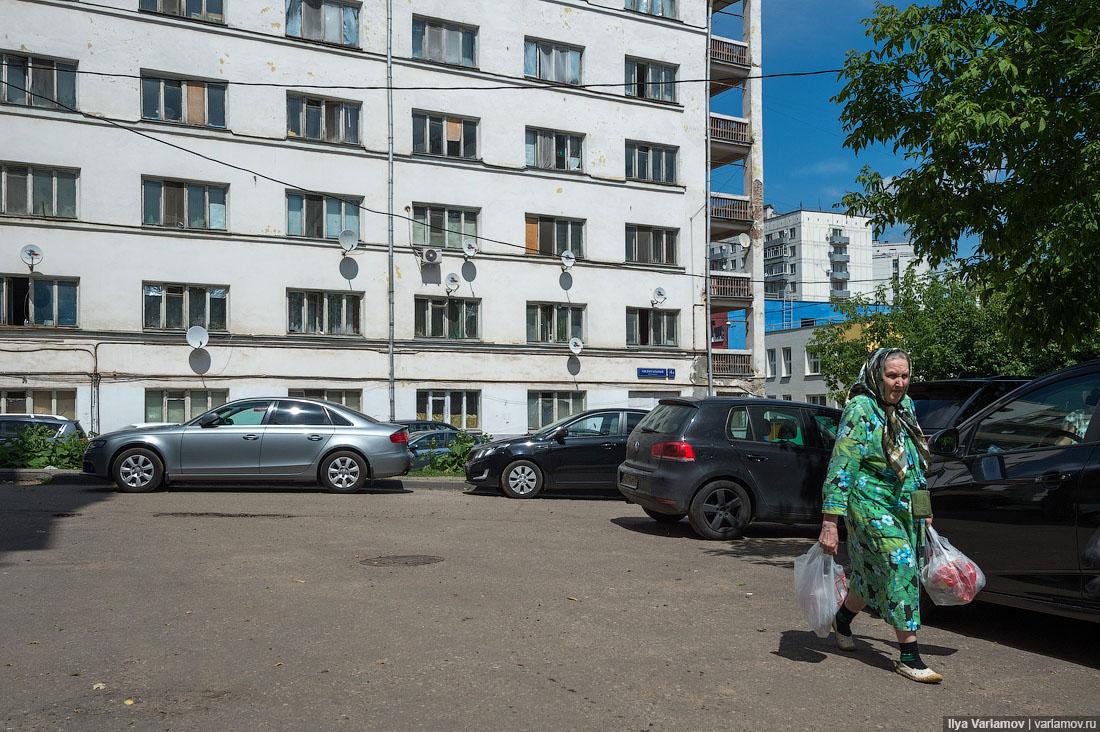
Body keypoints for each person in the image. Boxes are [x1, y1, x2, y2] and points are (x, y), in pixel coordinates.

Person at [818, 348, 940, 683]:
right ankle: (910, 656)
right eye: (891, 375)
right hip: (866, 502)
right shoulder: (860, 408)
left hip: (899, 503)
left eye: (904, 376)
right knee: (901, 562)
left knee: (868, 575)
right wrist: (831, 522)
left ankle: (842, 620)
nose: (899, 383)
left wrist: (923, 509)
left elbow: (913, 462)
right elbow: (843, 464)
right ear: (876, 374)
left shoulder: (906, 407)